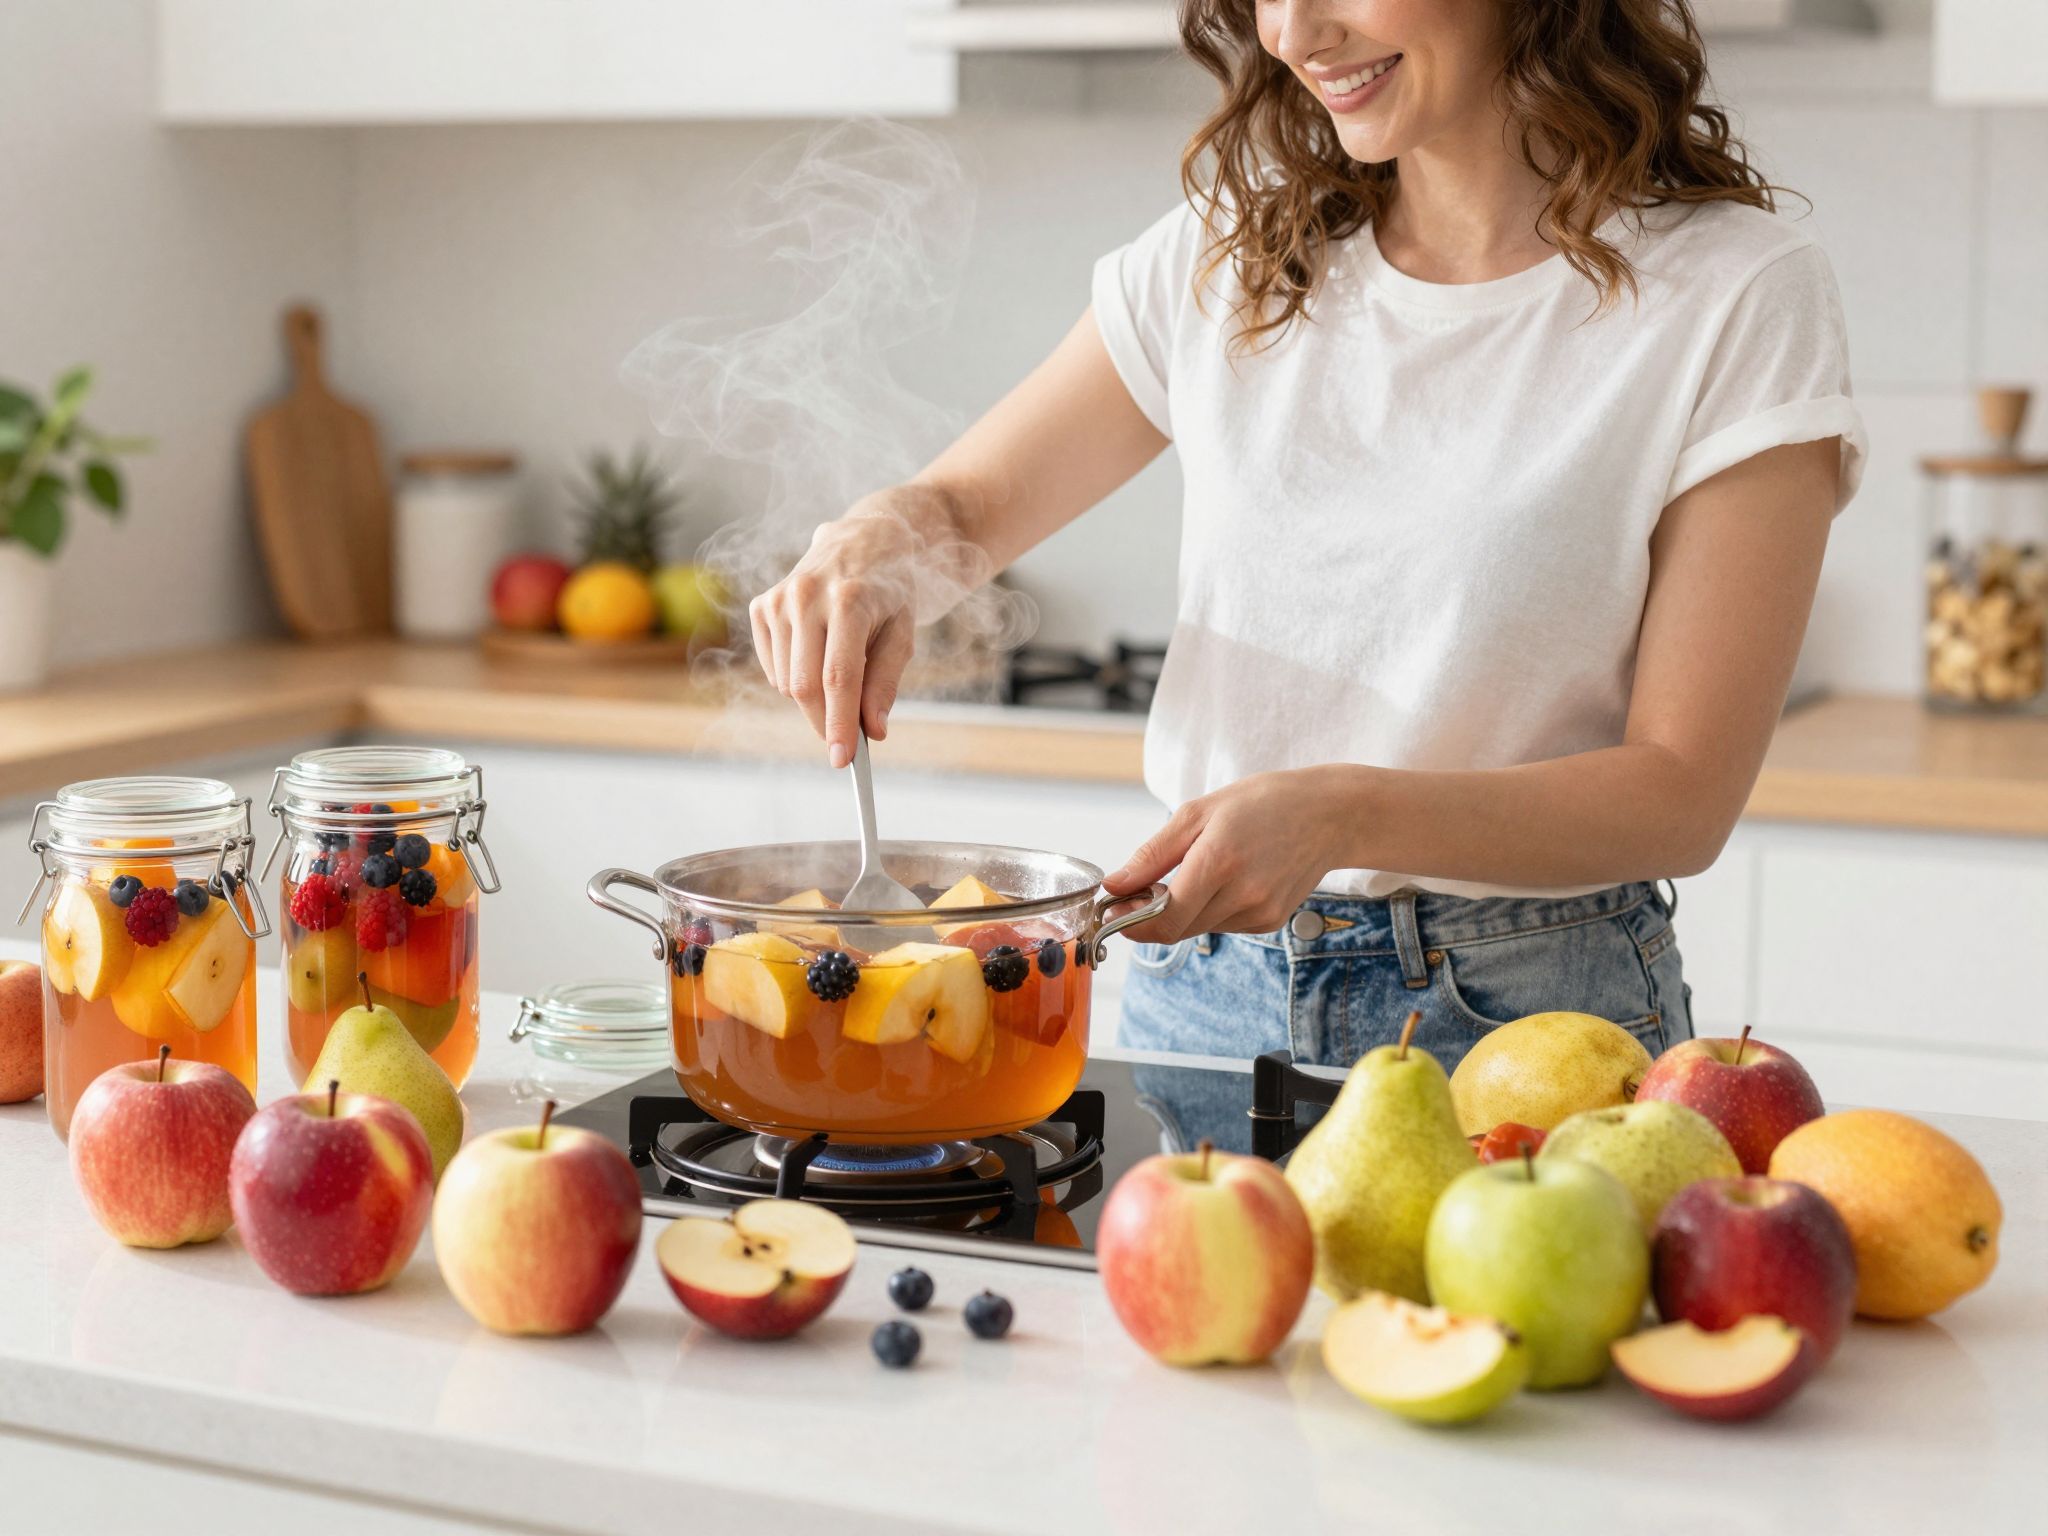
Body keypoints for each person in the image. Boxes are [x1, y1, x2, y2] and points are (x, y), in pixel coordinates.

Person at [746, 0, 1864, 1073]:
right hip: (1197, 995)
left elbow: (1679, 796)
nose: (1292, 32)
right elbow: (964, 509)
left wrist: (1339, 812)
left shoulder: (1732, 293)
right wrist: (876, 536)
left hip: (1525, 1016)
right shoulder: (1230, 252)